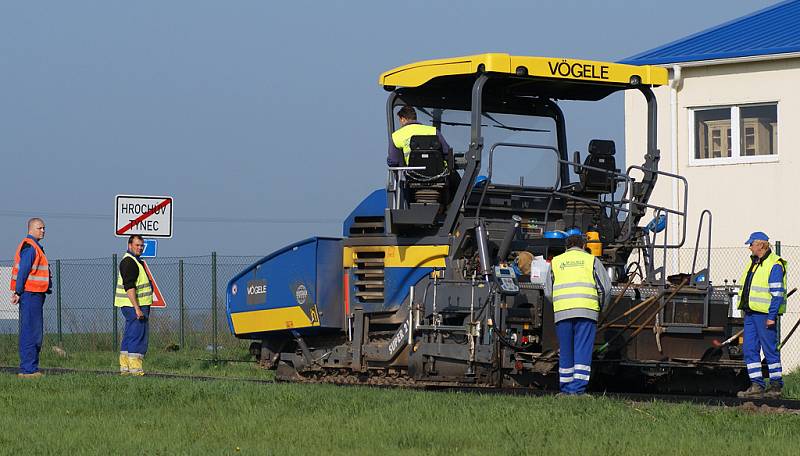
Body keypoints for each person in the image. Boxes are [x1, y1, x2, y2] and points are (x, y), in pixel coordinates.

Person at [544, 234, 611, 395]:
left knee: (566, 350)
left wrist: (561, 304)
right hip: (586, 311)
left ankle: (566, 390)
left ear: (566, 247)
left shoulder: (556, 262)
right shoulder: (592, 260)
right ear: (583, 246)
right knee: (582, 349)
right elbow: (605, 288)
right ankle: (578, 390)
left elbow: (548, 291)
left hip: (562, 312)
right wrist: (601, 308)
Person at [736, 231, 787, 399]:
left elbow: (777, 293)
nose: (749, 247)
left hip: (765, 315)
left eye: (751, 244)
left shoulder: (774, 264)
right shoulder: (754, 263)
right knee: (750, 349)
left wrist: (772, 316)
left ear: (761, 245)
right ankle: (757, 385)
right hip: (751, 314)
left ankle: (775, 386)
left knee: (770, 350)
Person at [10, 218, 51, 378]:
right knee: (30, 332)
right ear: (31, 229)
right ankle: (28, 369)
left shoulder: (35, 246)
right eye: (40, 228)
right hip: (30, 294)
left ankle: (31, 367)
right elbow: (23, 271)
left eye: (44, 228)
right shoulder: (30, 246)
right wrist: (18, 292)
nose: (43, 231)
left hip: (35, 294)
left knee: (34, 332)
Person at [115, 234, 153, 376]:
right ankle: (135, 369)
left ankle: (125, 367)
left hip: (130, 305)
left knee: (130, 335)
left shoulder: (135, 261)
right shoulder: (130, 262)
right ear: (129, 245)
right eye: (137, 245)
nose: (140, 248)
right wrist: (137, 308)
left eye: (142, 245)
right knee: (138, 335)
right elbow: (129, 286)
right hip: (135, 306)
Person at [387, 105, 451, 167]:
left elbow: (393, 161)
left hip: (411, 175)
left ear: (403, 119)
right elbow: (447, 151)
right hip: (437, 173)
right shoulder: (433, 131)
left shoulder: (396, 136)